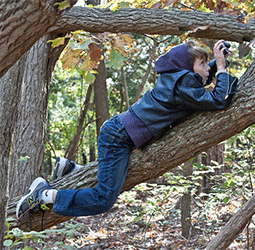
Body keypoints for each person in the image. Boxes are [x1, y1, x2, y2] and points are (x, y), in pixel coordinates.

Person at [16, 40, 238, 222]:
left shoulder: (177, 82)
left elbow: (209, 93)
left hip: (118, 132)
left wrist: (221, 64)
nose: (207, 68)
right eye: (202, 63)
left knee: (109, 181)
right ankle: (44, 195)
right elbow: (219, 100)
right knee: (103, 199)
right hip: (118, 137)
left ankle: (71, 170)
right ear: (185, 67)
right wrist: (221, 67)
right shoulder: (182, 83)